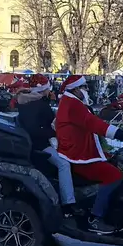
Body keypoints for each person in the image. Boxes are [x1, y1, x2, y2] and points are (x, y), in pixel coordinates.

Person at [55, 75, 123, 234]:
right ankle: (95, 217)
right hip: (79, 156)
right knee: (114, 176)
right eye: (84, 87)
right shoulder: (73, 104)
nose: (87, 89)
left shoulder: (70, 102)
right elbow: (93, 123)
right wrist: (120, 134)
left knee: (115, 164)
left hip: (78, 151)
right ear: (76, 89)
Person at [16, 74, 77, 218]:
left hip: (36, 142)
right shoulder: (37, 104)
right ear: (43, 90)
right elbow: (36, 129)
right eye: (48, 88)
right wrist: (54, 132)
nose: (50, 91)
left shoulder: (28, 101)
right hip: (40, 145)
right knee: (64, 164)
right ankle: (68, 203)